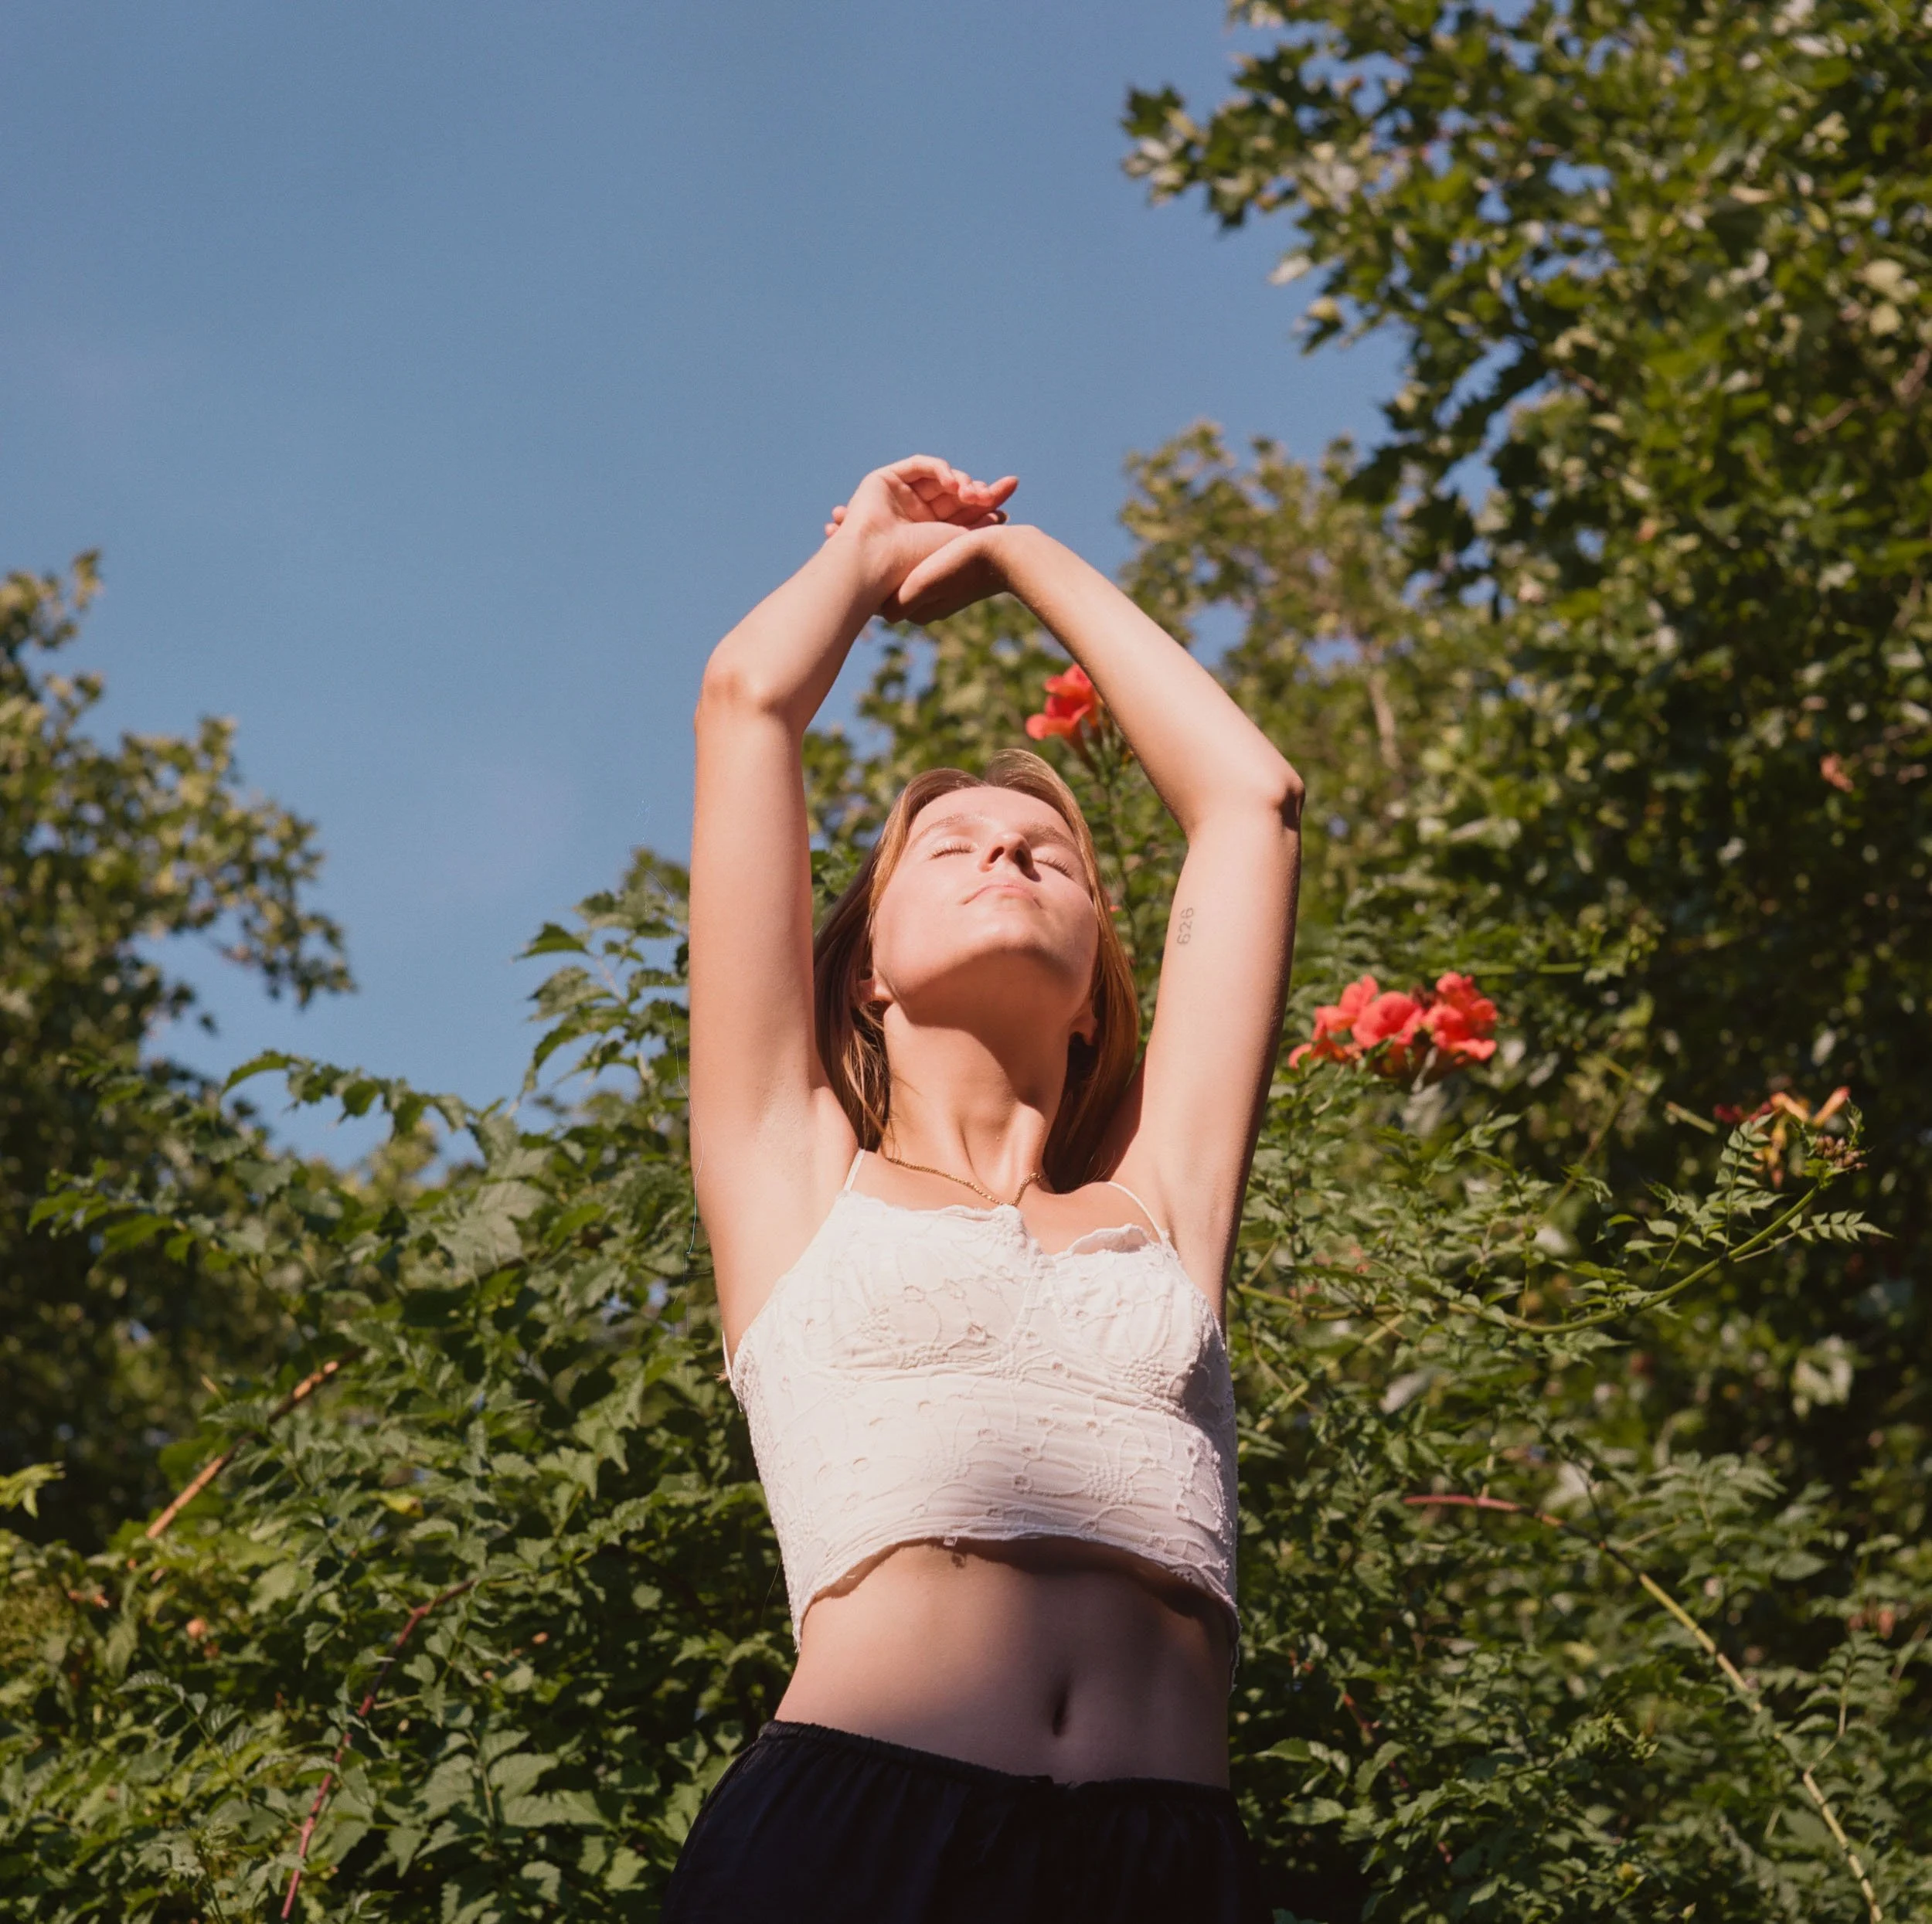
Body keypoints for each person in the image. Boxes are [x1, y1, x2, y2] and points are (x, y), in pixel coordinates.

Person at [666, 456, 1303, 1922]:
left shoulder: (1165, 1202)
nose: (1006, 849)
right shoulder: (793, 1175)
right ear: (870, 965)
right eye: (946, 846)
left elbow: (1250, 800)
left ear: (1095, 998)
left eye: (1048, 853)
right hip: (852, 1834)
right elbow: (748, 702)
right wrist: (872, 548)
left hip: (1166, 1863)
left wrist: (1020, 556)